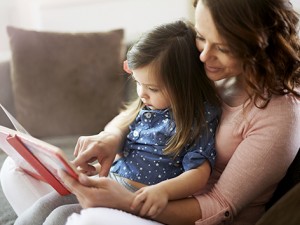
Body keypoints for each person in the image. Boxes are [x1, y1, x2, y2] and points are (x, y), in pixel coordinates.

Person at [1, 0, 299, 224]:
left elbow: (219, 204)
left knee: (76, 219)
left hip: (181, 213)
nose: (204, 55)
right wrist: (111, 137)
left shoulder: (279, 116)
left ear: (259, 45)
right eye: (202, 37)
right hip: (134, 187)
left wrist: (128, 201)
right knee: (15, 172)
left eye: (222, 47)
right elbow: (141, 108)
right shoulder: (210, 70)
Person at [7, 20, 221, 225]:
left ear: (185, 85)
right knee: (43, 207)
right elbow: (124, 147)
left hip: (136, 197)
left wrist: (163, 191)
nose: (142, 94)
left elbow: (198, 174)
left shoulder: (198, 119)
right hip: (111, 181)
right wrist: (94, 164)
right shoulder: (149, 108)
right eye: (138, 83)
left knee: (61, 217)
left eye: (152, 88)